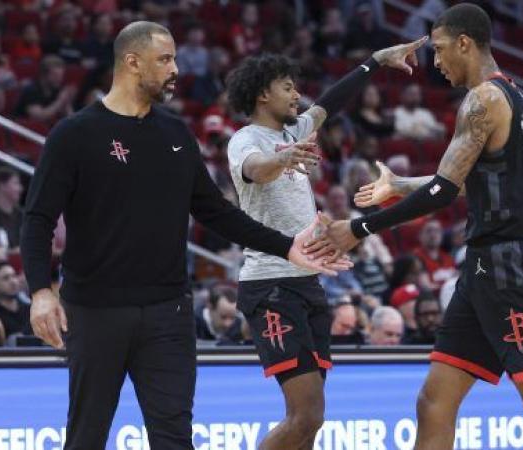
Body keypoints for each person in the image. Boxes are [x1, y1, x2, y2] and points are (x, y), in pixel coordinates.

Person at [20, 21, 348, 450]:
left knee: (175, 437)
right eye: (165, 59)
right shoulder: (75, 135)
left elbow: (215, 211)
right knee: (86, 435)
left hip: (169, 311)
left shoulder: (175, 133)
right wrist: (41, 291)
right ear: (132, 63)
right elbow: (37, 218)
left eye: (174, 57)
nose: (176, 69)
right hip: (96, 310)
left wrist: (288, 247)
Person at [306, 4, 523, 449]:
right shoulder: (515, 95)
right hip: (486, 267)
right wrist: (400, 185)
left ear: (465, 43)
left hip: (505, 265)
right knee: (434, 401)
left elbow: (444, 191)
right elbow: (481, 182)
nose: (435, 63)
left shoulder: (483, 99)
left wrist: (357, 229)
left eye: (439, 50)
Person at [225, 38, 424, 450]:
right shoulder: (246, 140)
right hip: (271, 286)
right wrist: (281, 159)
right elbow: (255, 170)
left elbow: (332, 101)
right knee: (307, 415)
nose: (297, 95)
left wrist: (374, 61)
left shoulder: (294, 129)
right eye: (287, 87)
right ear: (263, 93)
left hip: (308, 283)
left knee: (309, 424)